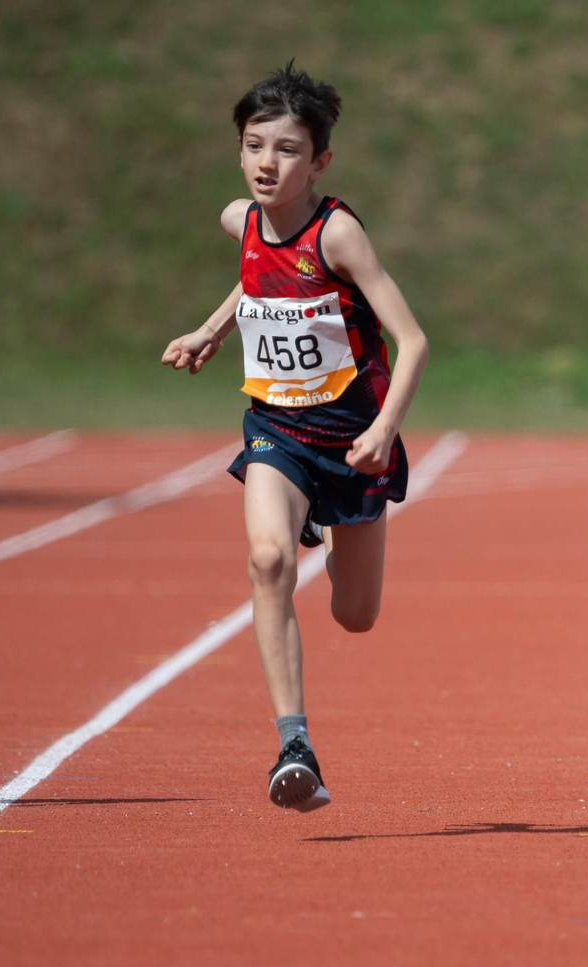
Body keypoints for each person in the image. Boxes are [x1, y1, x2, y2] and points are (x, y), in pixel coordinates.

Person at [162, 62, 429, 812]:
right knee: (268, 557)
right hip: (276, 427)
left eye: (285, 150)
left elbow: (413, 342)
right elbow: (260, 273)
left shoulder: (339, 235)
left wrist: (382, 431)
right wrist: (211, 330)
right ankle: (294, 744)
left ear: (319, 162)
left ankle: (334, 511)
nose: (266, 164)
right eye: (254, 146)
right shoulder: (239, 220)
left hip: (351, 444)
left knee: (355, 614)